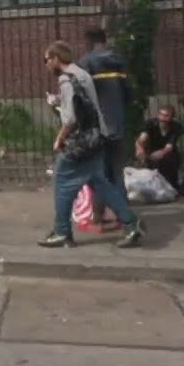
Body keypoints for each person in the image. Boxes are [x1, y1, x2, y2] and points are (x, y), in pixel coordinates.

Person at [38, 40, 144, 249]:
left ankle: (62, 232)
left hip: (80, 142)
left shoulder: (66, 80)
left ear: (56, 59)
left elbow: (70, 120)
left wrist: (59, 138)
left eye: (46, 60)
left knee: (61, 180)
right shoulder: (82, 73)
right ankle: (132, 223)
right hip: (96, 136)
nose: (46, 65)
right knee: (99, 182)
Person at [77, 28, 131, 225]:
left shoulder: (86, 63)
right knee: (117, 171)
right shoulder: (118, 61)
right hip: (118, 123)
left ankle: (98, 214)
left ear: (89, 41)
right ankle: (122, 215)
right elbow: (128, 94)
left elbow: (82, 98)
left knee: (98, 172)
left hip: (98, 127)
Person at [135, 105, 182, 185]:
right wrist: (139, 148)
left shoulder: (176, 127)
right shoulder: (150, 123)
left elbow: (169, 147)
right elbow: (141, 138)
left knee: (170, 160)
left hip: (167, 152)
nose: (162, 118)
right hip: (150, 150)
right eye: (161, 114)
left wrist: (161, 153)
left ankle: (172, 186)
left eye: (166, 116)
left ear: (172, 117)